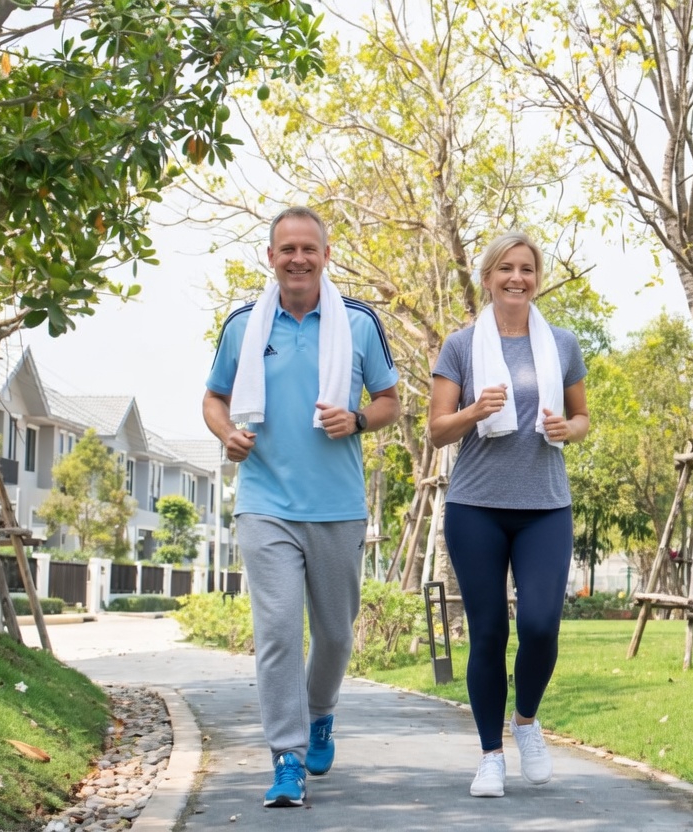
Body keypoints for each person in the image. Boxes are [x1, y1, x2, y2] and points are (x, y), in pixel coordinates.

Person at [203, 206, 399, 808]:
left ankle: (321, 712)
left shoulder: (360, 322)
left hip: (338, 506)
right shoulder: (243, 324)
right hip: (264, 503)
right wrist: (225, 434)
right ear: (270, 257)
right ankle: (286, 757)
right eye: (286, 249)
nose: (298, 259)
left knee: (337, 637)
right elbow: (214, 399)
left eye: (308, 248)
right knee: (281, 632)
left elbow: (391, 400)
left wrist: (359, 418)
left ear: (325, 255)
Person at [428, 230, 590, 798]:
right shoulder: (460, 345)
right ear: (488, 277)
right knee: (489, 632)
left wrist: (567, 430)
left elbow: (582, 419)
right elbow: (436, 428)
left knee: (542, 625)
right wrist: (476, 410)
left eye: (526, 269)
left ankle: (526, 721)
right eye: (505, 269)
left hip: (545, 506)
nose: (516, 278)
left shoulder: (563, 343)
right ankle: (490, 756)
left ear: (536, 279)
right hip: (476, 506)